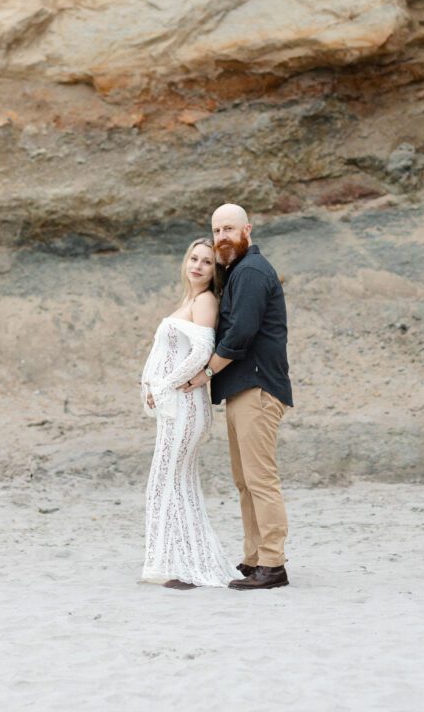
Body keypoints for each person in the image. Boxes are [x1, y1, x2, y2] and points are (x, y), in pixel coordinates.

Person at [180, 204, 292, 590]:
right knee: (244, 481)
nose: (222, 237)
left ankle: (273, 565)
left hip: (257, 389)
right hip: (241, 391)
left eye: (229, 228)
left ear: (247, 230)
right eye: (216, 230)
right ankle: (254, 558)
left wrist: (205, 373)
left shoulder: (251, 273)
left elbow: (240, 334)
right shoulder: (236, 273)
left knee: (260, 479)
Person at [140, 238, 235, 589]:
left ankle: (180, 566)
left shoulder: (206, 300)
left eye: (207, 262)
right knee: (175, 482)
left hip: (185, 407)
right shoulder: (189, 300)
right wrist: (150, 383)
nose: (197, 265)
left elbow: (202, 352)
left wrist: (164, 384)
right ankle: (176, 561)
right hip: (175, 407)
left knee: (167, 481)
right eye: (193, 259)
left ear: (215, 270)